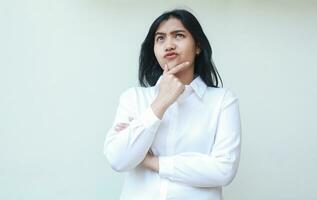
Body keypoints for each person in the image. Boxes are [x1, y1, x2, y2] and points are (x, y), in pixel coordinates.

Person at [104, 9, 241, 200]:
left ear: (198, 46)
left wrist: (151, 161)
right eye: (160, 38)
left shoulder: (222, 101)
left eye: (179, 35)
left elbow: (223, 170)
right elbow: (118, 159)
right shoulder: (133, 98)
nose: (168, 45)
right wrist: (161, 103)